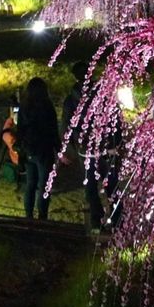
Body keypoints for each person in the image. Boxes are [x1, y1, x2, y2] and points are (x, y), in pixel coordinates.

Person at [61, 62, 123, 230]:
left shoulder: (71, 100)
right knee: (111, 184)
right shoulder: (103, 94)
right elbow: (116, 119)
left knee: (90, 187)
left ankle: (96, 220)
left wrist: (70, 149)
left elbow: (66, 126)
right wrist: (117, 142)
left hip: (85, 150)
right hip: (106, 147)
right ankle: (117, 221)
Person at [17, 77, 60, 220]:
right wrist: (59, 149)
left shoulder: (24, 106)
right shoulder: (46, 106)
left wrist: (22, 147)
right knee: (43, 186)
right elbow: (53, 130)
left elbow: (20, 129)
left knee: (30, 184)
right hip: (43, 149)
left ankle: (28, 215)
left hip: (29, 148)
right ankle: (42, 216)